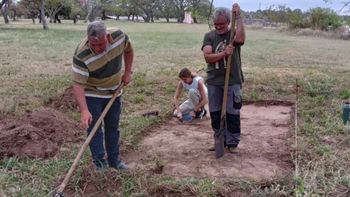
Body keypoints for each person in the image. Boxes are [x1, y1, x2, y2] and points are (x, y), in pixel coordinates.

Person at [72, 21, 133, 170]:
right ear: (88, 38)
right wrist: (84, 110)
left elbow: (129, 50)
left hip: (114, 91)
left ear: (107, 36)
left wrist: (127, 72)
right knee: (95, 129)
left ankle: (114, 161)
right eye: (93, 45)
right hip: (93, 93)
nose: (97, 48)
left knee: (113, 126)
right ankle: (100, 164)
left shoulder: (119, 36)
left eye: (100, 44)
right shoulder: (81, 54)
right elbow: (78, 85)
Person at [201, 4, 245, 152]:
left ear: (228, 22)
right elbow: (207, 57)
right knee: (215, 112)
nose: (219, 27)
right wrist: (224, 54)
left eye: (222, 24)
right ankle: (219, 140)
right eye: (216, 24)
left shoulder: (233, 34)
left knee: (232, 112)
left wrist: (238, 16)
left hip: (232, 80)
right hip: (214, 81)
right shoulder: (209, 36)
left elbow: (241, 38)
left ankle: (232, 143)